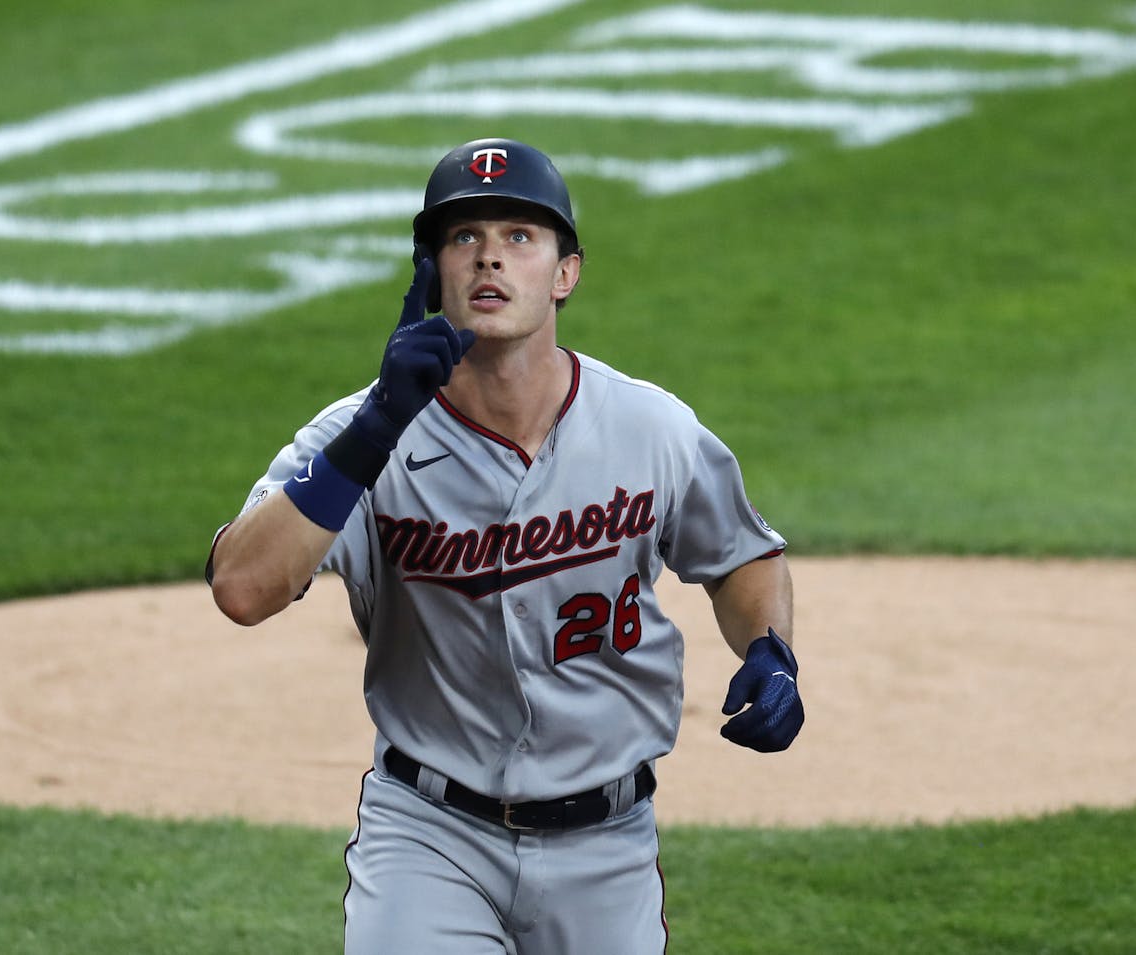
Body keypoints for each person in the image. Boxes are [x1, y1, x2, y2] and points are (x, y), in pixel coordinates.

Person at [207, 137, 803, 954]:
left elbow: (741, 554)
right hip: (429, 835)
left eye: (520, 236)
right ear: (431, 272)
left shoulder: (647, 427)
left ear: (566, 273)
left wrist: (771, 648)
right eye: (464, 238)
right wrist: (376, 428)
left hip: (608, 844)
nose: (490, 256)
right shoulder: (357, 437)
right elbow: (242, 586)